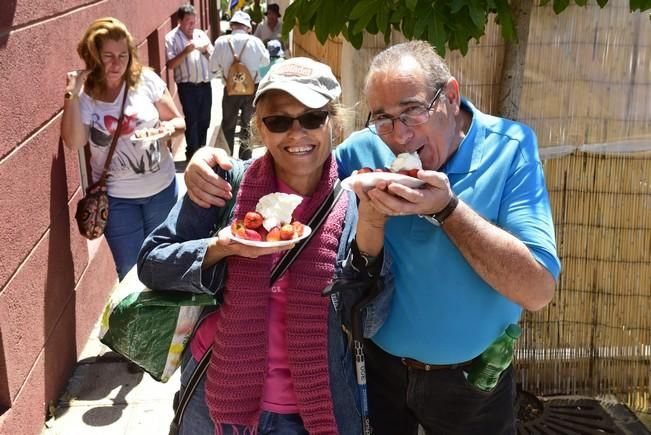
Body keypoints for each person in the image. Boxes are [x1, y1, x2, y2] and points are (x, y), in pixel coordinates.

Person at [182, 40, 562, 434]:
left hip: (471, 384)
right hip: (377, 376)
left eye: (412, 111)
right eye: (382, 117)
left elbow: (537, 291)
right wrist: (208, 165)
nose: (398, 135)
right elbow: (295, 157)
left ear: (450, 96)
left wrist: (447, 209)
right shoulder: (365, 150)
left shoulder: (510, 148)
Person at [138, 57, 366, 435]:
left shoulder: (354, 204)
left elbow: (371, 317)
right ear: (260, 126)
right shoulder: (225, 185)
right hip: (215, 399)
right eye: (278, 121)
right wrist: (220, 248)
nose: (297, 134)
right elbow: (151, 262)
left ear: (334, 122)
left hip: (313, 407)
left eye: (312, 117)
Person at [61, 17, 185, 281]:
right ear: (93, 55)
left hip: (162, 191)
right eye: (108, 55)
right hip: (117, 201)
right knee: (130, 271)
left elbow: (178, 122)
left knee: (164, 262)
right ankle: (138, 324)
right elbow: (74, 142)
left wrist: (164, 130)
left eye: (123, 55)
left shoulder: (146, 81)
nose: (117, 63)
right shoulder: (87, 98)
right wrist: (71, 95)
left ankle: (164, 322)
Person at [211, 11, 269, 160]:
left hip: (230, 89)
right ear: (248, 27)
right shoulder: (255, 42)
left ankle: (226, 157)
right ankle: (245, 158)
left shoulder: (221, 42)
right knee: (248, 124)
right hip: (251, 89)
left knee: (228, 124)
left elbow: (212, 67)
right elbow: (265, 62)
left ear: (232, 25)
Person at [165, 4, 214, 161]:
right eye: (188, 21)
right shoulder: (171, 38)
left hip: (205, 84)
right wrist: (185, 52)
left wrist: (205, 51)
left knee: (205, 119)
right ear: (179, 21)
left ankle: (202, 150)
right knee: (192, 120)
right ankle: (192, 153)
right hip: (187, 87)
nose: (192, 25)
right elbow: (170, 65)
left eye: (194, 21)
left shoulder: (200, 35)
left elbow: (214, 58)